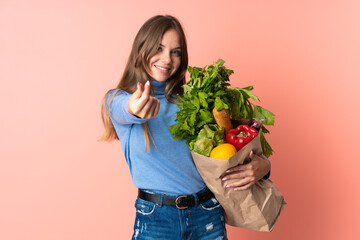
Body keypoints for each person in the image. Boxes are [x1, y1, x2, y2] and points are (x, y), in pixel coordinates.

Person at [100, 15, 270, 240]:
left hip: (207, 213)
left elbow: (232, 151)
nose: (167, 59)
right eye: (158, 48)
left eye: (175, 52)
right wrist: (136, 107)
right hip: (155, 220)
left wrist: (264, 167)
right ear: (141, 49)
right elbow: (126, 109)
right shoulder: (117, 99)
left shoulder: (196, 102)